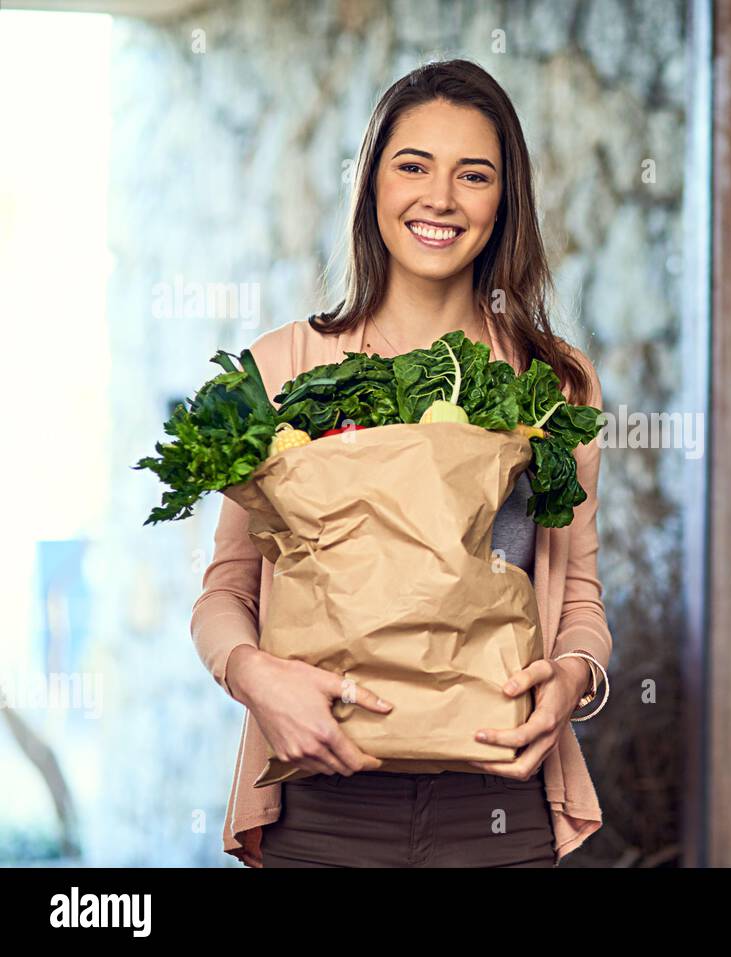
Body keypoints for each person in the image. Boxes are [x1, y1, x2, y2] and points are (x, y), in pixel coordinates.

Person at [191, 59, 611, 868]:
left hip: (498, 801)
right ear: (372, 183)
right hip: (321, 808)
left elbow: (580, 593)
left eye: (474, 175)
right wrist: (255, 678)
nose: (440, 199)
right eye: (412, 165)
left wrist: (573, 680)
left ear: (505, 200)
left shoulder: (552, 381)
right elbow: (225, 592)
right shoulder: (279, 370)